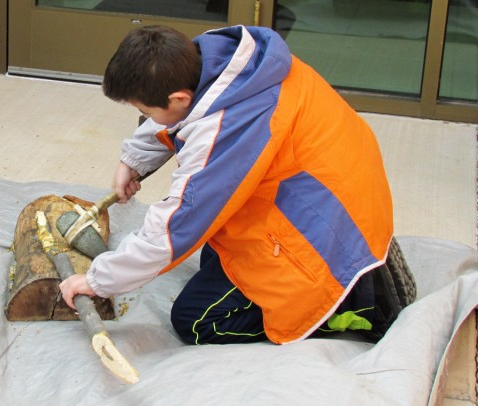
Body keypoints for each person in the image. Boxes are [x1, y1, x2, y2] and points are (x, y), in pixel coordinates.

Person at [59, 24, 402, 345]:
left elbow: (172, 231)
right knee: (214, 249)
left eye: (145, 110)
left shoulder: (227, 131)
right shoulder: (228, 63)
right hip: (329, 198)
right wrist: (133, 160)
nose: (148, 118)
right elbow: (186, 113)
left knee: (196, 320)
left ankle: (347, 305)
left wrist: (96, 282)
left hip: (325, 234)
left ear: (178, 97)